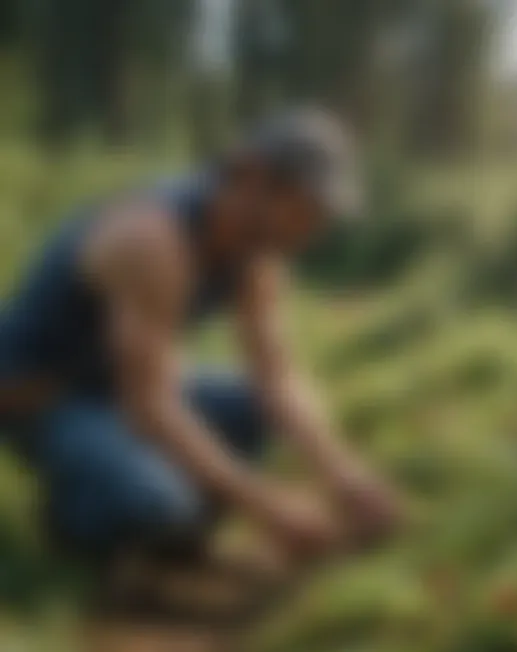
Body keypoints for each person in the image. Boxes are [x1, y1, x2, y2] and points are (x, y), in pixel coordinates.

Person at [0, 107, 403, 608]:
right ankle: (80, 526)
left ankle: (171, 528)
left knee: (255, 409)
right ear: (253, 178)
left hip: (114, 384)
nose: (313, 229)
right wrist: (268, 506)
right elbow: (147, 406)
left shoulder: (258, 253)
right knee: (153, 502)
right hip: (37, 393)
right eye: (306, 209)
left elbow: (276, 377)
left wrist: (344, 476)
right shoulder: (152, 240)